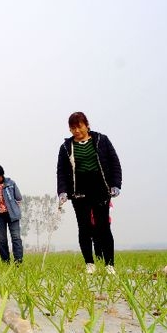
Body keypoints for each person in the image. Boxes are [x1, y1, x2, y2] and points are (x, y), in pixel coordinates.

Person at [57, 111, 122, 274]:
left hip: (100, 188)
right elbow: (62, 172)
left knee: (103, 227)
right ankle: (89, 264)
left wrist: (115, 184)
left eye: (79, 126)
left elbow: (114, 163)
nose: (76, 131)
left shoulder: (101, 140)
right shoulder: (66, 147)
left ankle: (109, 265)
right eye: (73, 128)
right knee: (84, 227)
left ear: (86, 125)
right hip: (79, 192)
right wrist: (63, 191)